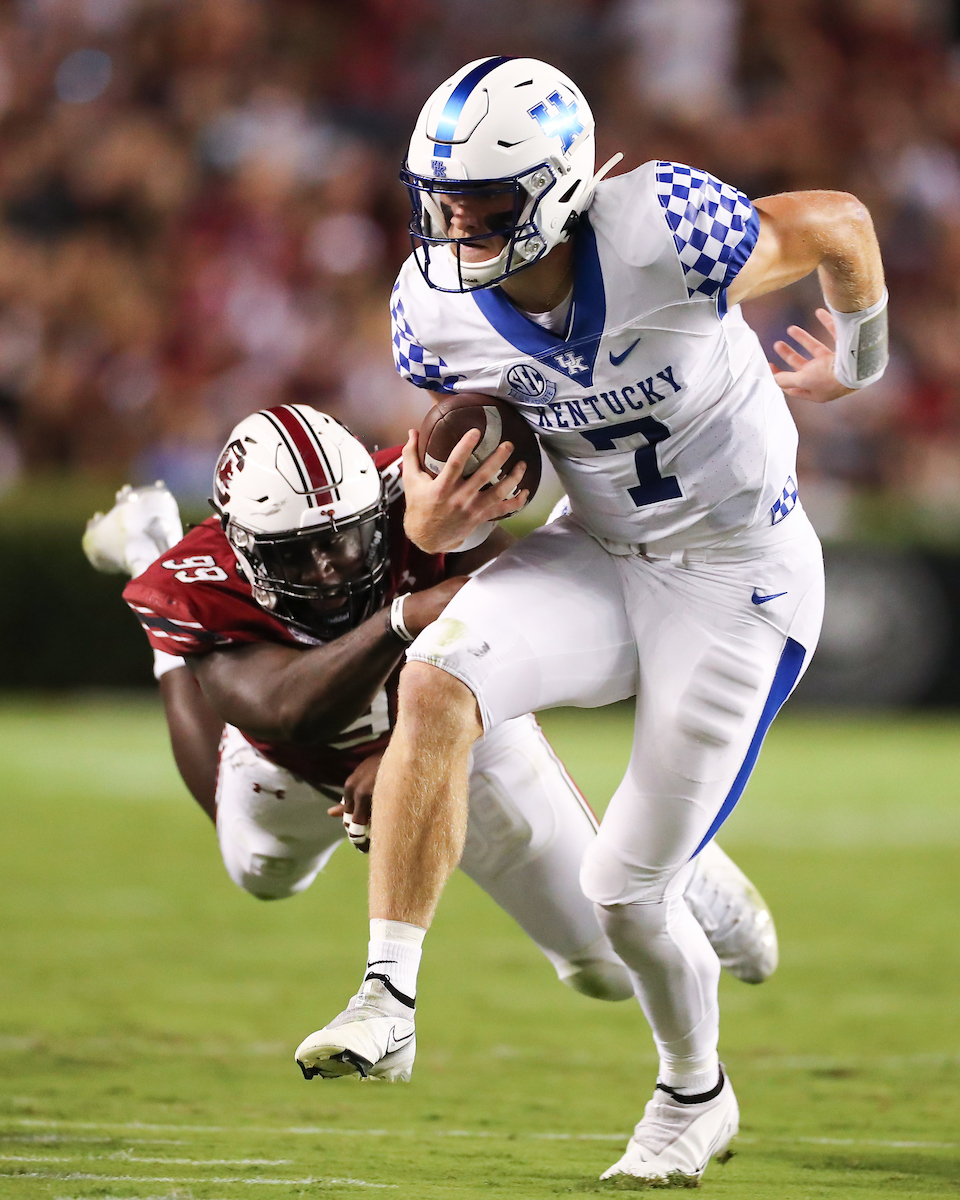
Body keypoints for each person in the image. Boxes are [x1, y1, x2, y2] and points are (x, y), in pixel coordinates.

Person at [297, 57, 887, 1185]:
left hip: (738, 578)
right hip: (603, 552)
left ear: (559, 188)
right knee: (437, 678)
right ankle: (387, 993)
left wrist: (858, 359)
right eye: (442, 202)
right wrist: (431, 517)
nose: (457, 228)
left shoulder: (665, 228)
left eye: (485, 205)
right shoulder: (432, 310)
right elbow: (468, 461)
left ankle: (694, 1091)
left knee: (622, 893)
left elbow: (842, 223)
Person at [82, 406, 779, 1055]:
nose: (327, 569)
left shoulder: (425, 491)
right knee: (261, 875)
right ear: (243, 548)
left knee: (607, 970)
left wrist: (404, 749)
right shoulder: (201, 579)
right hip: (295, 765)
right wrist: (401, 618)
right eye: (296, 554)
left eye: (342, 539)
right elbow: (285, 710)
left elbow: (522, 624)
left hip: (461, 732)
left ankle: (664, 861)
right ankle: (151, 560)